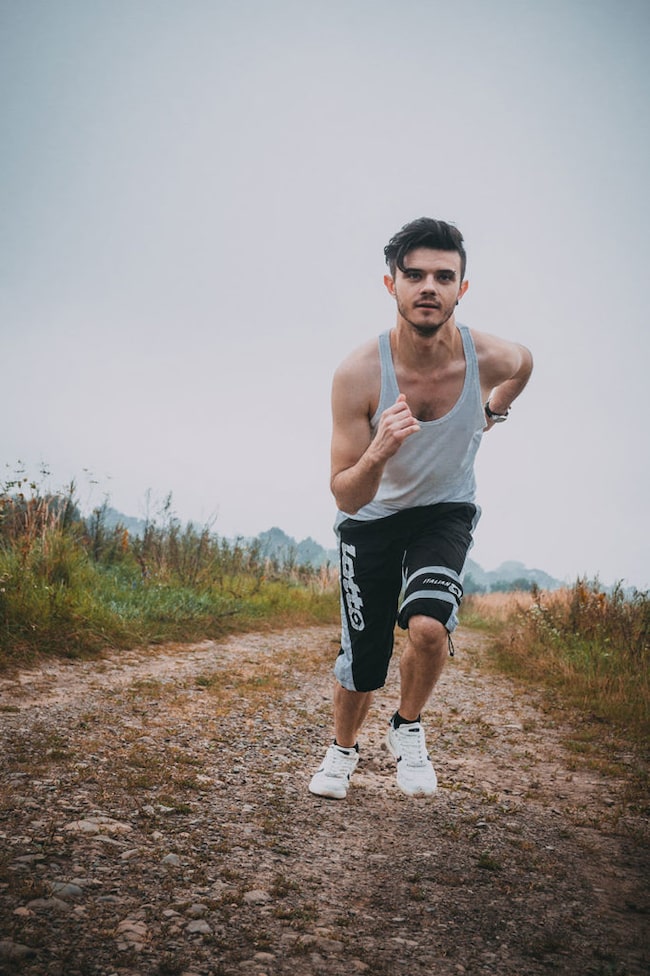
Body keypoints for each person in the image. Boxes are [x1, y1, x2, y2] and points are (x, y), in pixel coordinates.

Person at [309, 217, 533, 800]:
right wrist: (381, 449)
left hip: (444, 512)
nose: (428, 286)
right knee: (364, 663)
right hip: (371, 520)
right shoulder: (359, 374)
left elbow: (526, 363)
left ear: (463, 288)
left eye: (443, 275)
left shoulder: (486, 356)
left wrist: (495, 409)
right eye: (414, 275)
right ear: (392, 286)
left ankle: (407, 727)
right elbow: (346, 494)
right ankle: (342, 751)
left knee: (430, 626)